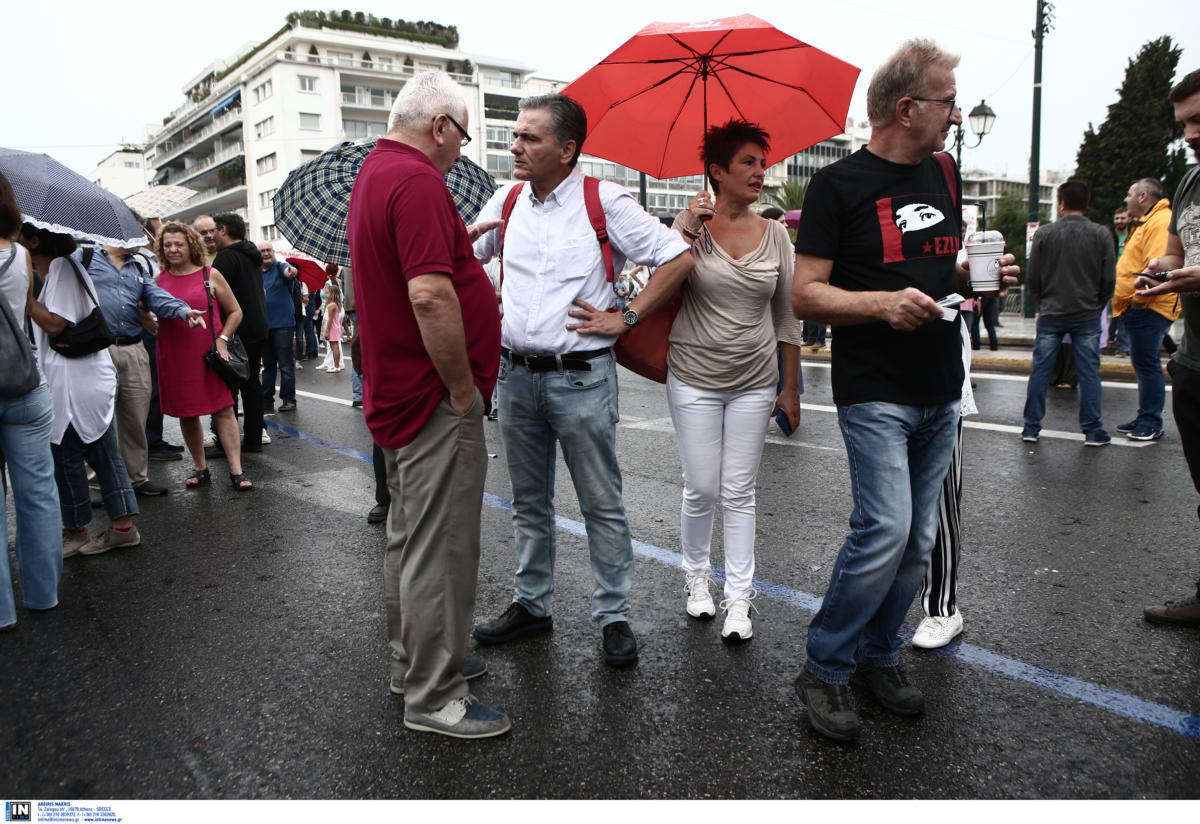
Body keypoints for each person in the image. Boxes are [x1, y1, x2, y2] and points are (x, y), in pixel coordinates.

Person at [790, 38, 1019, 741]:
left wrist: (974, 277)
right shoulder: (837, 186)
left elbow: (932, 267)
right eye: (947, 101)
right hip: (875, 387)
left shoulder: (944, 173)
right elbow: (806, 296)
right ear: (906, 107)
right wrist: (881, 307)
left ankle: (878, 657)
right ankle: (824, 667)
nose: (956, 114)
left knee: (919, 541)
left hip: (939, 383)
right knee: (884, 528)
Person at [470, 92, 692, 667]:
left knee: (601, 501)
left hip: (582, 378)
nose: (515, 146)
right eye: (515, 135)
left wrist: (627, 316)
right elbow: (469, 260)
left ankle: (613, 616)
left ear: (567, 150)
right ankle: (532, 604)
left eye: (530, 138)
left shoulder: (606, 201)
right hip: (515, 378)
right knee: (528, 501)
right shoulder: (508, 199)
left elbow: (677, 257)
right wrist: (465, 246)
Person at [347, 71, 509, 738]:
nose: (460, 150)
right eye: (462, 135)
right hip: (433, 394)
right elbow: (429, 296)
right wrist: (464, 387)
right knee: (439, 545)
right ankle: (433, 694)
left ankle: (415, 662)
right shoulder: (415, 181)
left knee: (412, 539)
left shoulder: (378, 173)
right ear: (440, 126)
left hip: (405, 391)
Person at [667, 119, 803, 640]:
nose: (759, 172)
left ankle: (739, 599)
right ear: (717, 172)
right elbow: (647, 280)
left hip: (754, 380)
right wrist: (683, 229)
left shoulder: (777, 235)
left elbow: (787, 316)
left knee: (739, 491)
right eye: (747, 162)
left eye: (761, 163)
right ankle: (696, 579)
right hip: (694, 375)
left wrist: (789, 388)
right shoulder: (691, 229)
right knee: (701, 486)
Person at [22, 225, 143, 556]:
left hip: (74, 381)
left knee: (66, 454)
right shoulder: (67, 267)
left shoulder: (60, 267)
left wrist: (25, 297)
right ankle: (122, 528)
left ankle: (76, 531)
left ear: (33, 240)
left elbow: (55, 323)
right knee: (102, 451)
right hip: (84, 375)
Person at [1132, 67, 1200, 625]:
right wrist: (1163, 268)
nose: (1191, 133)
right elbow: (1177, 253)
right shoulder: (1190, 182)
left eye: (1199, 119)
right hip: (1194, 359)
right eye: (1184, 124)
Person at [76, 238, 203, 496]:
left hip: (133, 348)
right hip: (97, 350)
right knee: (97, 418)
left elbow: (156, 297)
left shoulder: (138, 267)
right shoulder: (84, 258)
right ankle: (94, 482)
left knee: (135, 417)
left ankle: (136, 479)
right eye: (134, 235)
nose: (141, 241)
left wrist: (183, 310)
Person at [0, 173, 61, 629]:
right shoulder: (20, 254)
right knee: (38, 492)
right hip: (23, 381)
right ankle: (43, 596)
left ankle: (2, 612)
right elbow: (23, 313)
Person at [153, 222, 251, 491]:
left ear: (191, 246)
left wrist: (222, 339)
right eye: (167, 244)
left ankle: (236, 471)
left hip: (209, 354)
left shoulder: (210, 274)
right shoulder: (158, 280)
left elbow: (236, 312)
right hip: (174, 355)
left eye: (178, 244)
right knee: (187, 414)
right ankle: (200, 467)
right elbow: (144, 310)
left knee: (223, 409)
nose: (173, 249)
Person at [1020, 180, 1116, 446]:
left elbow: (1034, 278)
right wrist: (1097, 305)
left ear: (1061, 203)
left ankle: (1031, 427)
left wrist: (1042, 303)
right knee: (1088, 373)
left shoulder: (1044, 234)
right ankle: (1093, 429)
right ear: (1086, 203)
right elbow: (1108, 280)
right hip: (1086, 313)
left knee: (1040, 370)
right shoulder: (1101, 234)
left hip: (1051, 312)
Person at [1112, 177, 1178, 441]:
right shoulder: (1149, 222)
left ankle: (1151, 421)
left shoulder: (1160, 222)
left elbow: (1156, 267)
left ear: (1143, 197)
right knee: (1143, 363)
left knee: (1147, 364)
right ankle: (1145, 416)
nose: (1126, 199)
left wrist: (1138, 301)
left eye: (1129, 194)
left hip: (1149, 305)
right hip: (1141, 305)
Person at [211, 213, 268, 452]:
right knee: (252, 385)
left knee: (228, 389)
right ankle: (254, 439)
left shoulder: (225, 258)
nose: (212, 235)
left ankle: (228, 443)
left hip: (233, 330)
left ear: (223, 230)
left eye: (214, 230)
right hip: (257, 327)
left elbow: (214, 294)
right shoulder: (252, 256)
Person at [258, 242, 299, 413]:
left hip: (283, 325)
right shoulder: (256, 273)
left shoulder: (281, 266)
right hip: (264, 326)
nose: (266, 253)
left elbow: (289, 271)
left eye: (268, 250)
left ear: (273, 252)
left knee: (286, 365)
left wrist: (291, 272)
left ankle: (289, 400)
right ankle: (267, 401)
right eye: (262, 251)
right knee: (267, 367)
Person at [321, 280, 343, 372]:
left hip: (332, 328)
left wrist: (327, 331)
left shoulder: (331, 306)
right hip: (335, 327)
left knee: (334, 347)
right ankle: (336, 365)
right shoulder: (335, 304)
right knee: (335, 346)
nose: (326, 295)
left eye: (327, 293)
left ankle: (336, 366)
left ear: (332, 294)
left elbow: (330, 320)